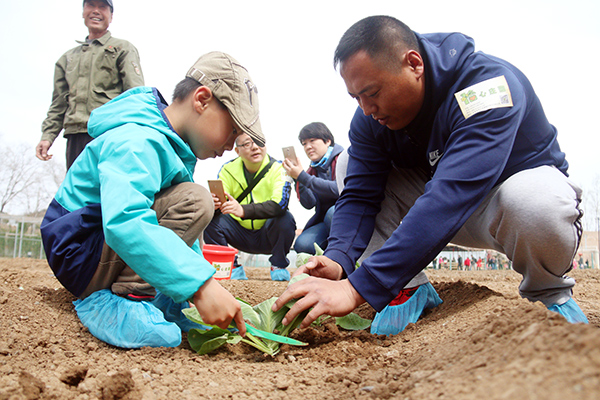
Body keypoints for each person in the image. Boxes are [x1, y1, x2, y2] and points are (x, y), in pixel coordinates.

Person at [273, 15, 588, 334]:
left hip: (507, 204)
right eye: (357, 98)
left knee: (533, 201)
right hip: (441, 210)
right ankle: (408, 288)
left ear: (414, 64)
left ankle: (549, 295)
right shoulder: (370, 120)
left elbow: (451, 194)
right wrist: (339, 258)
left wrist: (357, 288)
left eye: (373, 92)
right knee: (348, 164)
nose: (367, 109)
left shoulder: (486, 86)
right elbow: (359, 196)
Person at [40, 51, 266, 348]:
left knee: (194, 201)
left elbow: (183, 234)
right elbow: (126, 220)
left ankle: (165, 300)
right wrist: (201, 288)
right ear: (201, 100)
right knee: (197, 199)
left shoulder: (170, 145)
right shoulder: (138, 140)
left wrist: (191, 288)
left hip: (99, 247)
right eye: (233, 129)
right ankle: (124, 298)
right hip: (81, 253)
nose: (232, 144)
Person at [37, 0, 144, 169]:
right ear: (82, 12)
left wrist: (136, 135)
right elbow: (58, 105)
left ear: (111, 16)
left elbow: (135, 95)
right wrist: (47, 136)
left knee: (109, 188)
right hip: (75, 136)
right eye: (90, 5)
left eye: (102, 7)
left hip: (109, 133)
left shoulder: (122, 48)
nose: (96, 11)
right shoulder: (67, 59)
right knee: (77, 191)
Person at [204, 134, 296, 281]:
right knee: (210, 219)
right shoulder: (228, 170)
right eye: (247, 144)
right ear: (237, 151)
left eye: (259, 142)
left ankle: (278, 265)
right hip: (239, 234)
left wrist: (243, 210)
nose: (254, 147)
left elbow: (280, 204)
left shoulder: (279, 168)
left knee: (285, 218)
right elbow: (222, 201)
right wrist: (214, 204)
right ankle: (230, 267)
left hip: (268, 236)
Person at [282, 122, 344, 255]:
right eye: (304, 144)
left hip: (348, 216)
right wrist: (298, 178)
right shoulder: (312, 171)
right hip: (326, 220)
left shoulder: (343, 158)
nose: (308, 147)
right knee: (303, 244)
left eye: (312, 141)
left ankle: (342, 259)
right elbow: (309, 204)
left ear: (327, 141)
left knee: (333, 213)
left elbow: (339, 189)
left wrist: (303, 177)